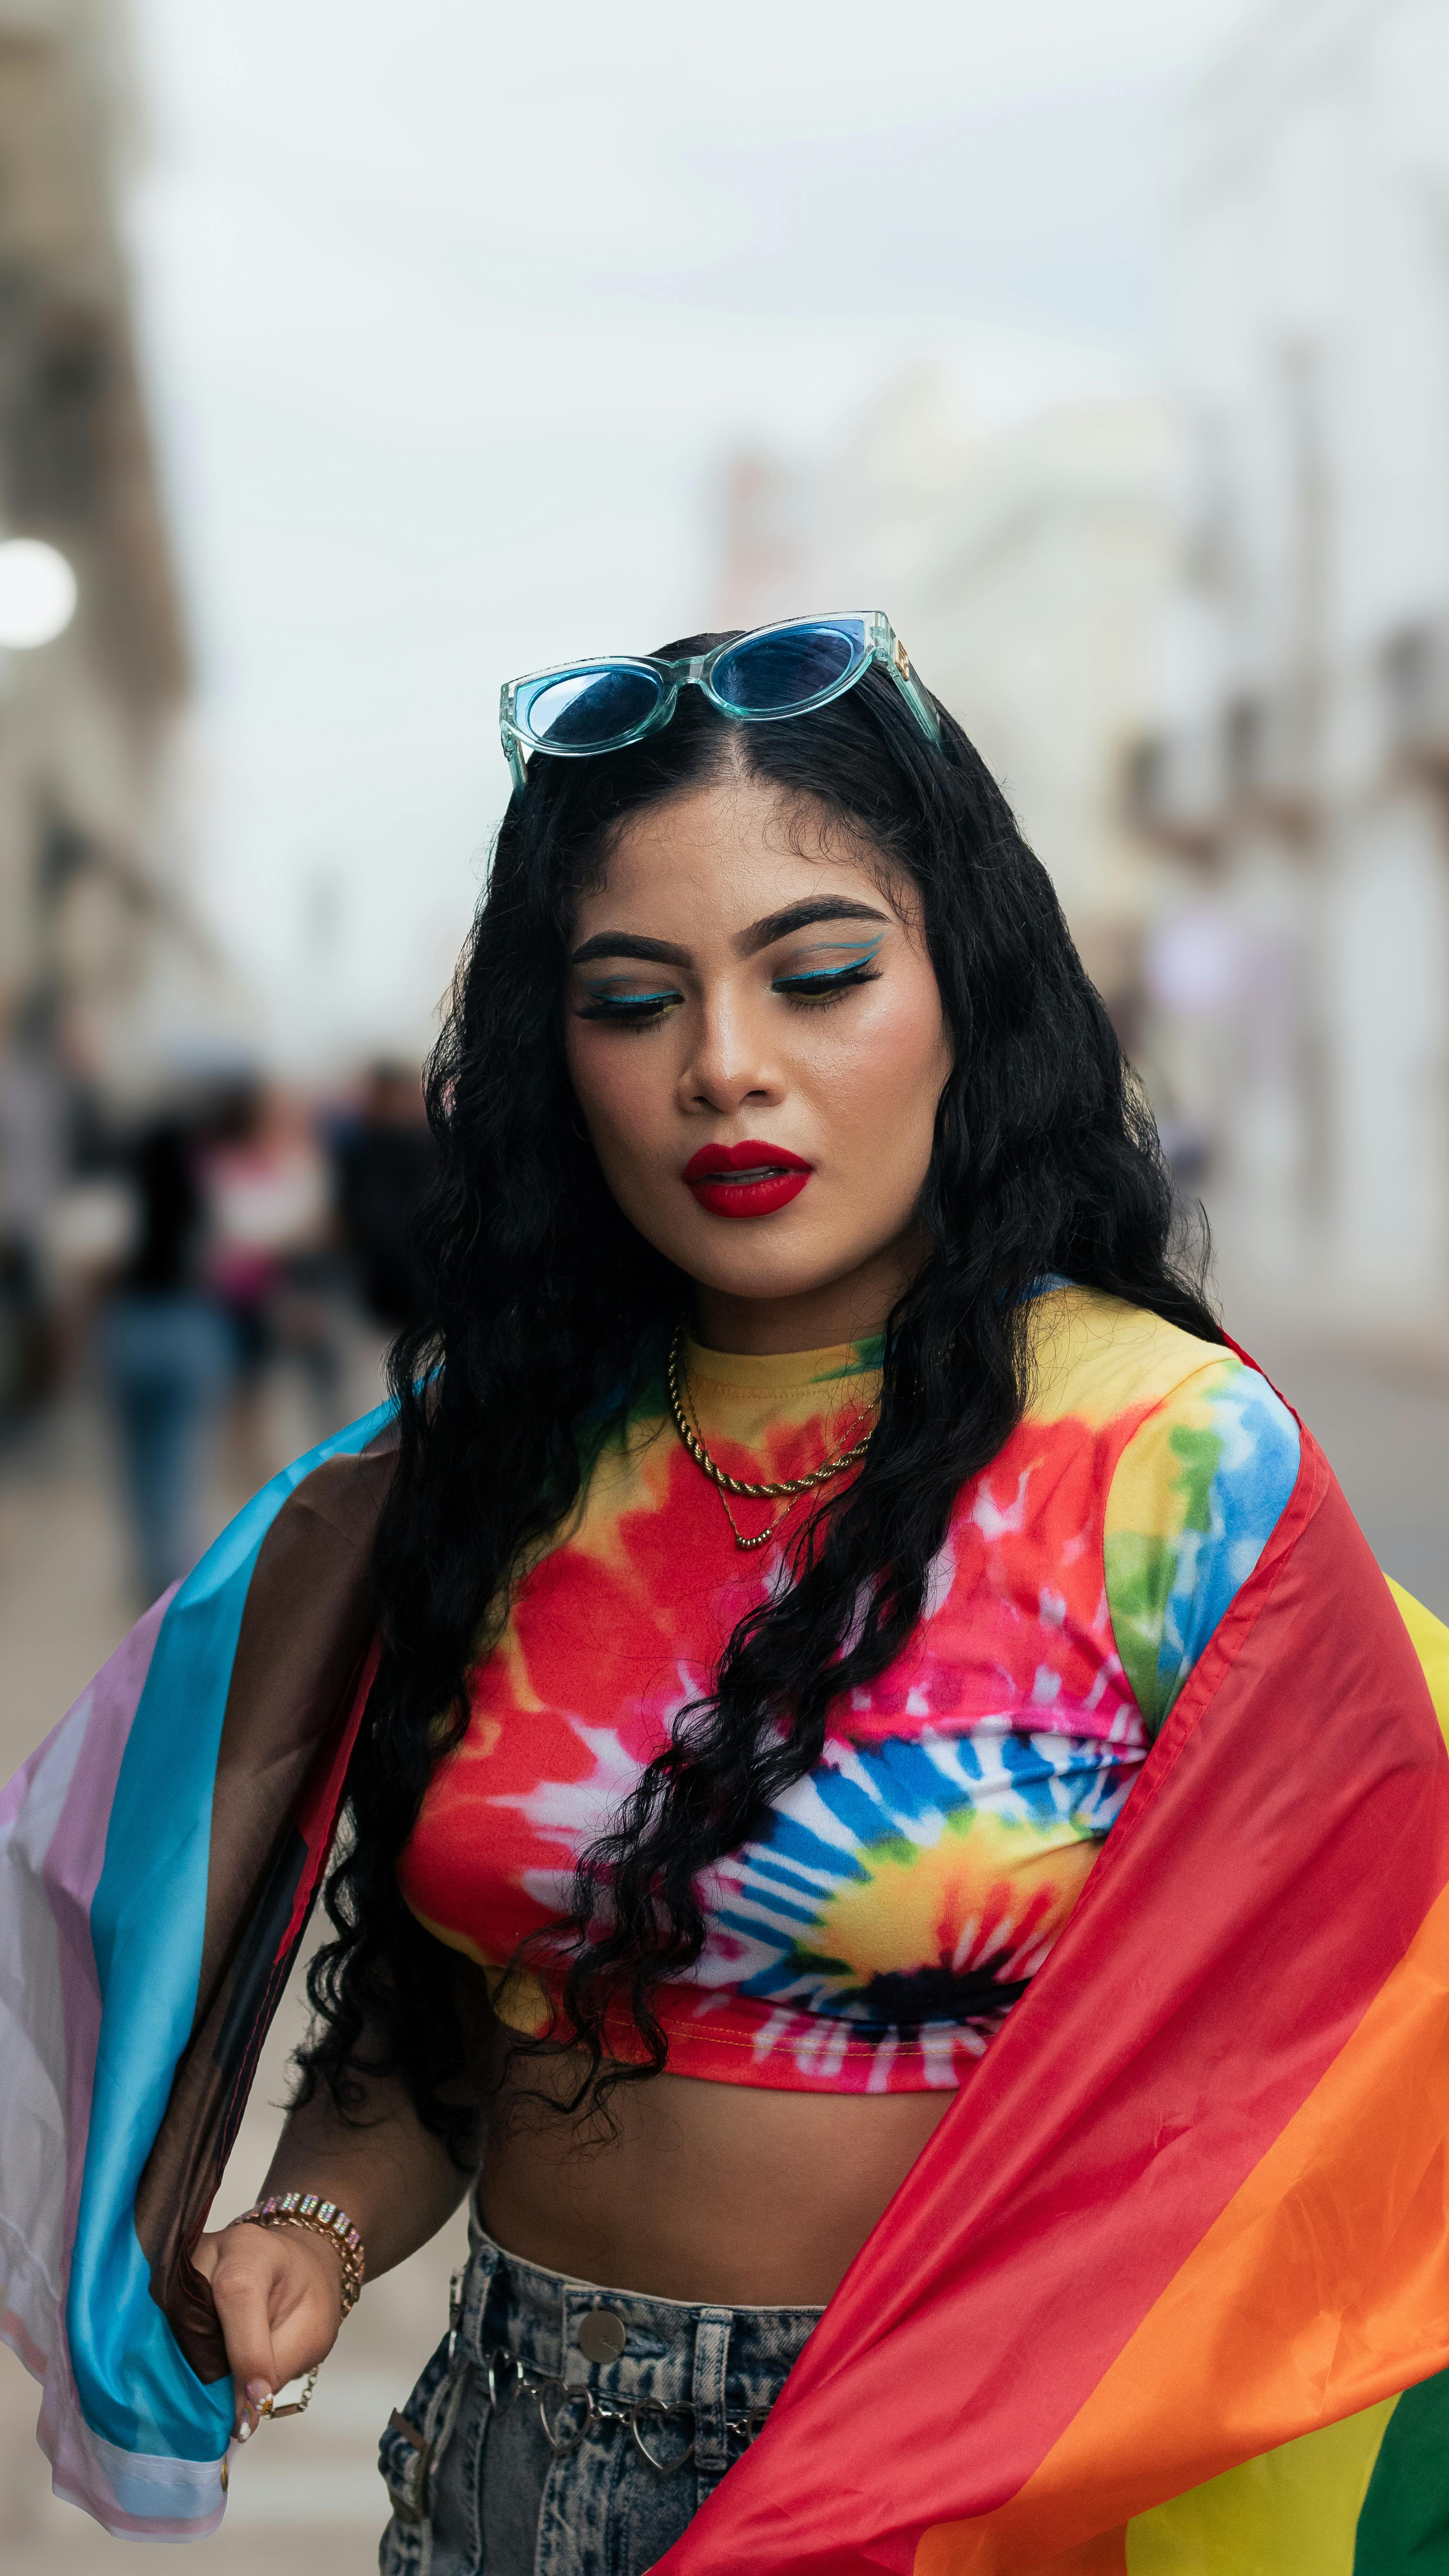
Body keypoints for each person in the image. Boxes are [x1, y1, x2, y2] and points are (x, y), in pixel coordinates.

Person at [4, 617, 1449, 2571]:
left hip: (949, 2493)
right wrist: (316, 2229)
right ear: (555, 1050)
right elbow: (456, 2003)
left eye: (822, 973)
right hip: (502, 2467)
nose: (725, 1069)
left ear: (970, 993)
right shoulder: (487, 1458)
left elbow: (1358, 2042)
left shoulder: (1174, 1462)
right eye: (631, 998)